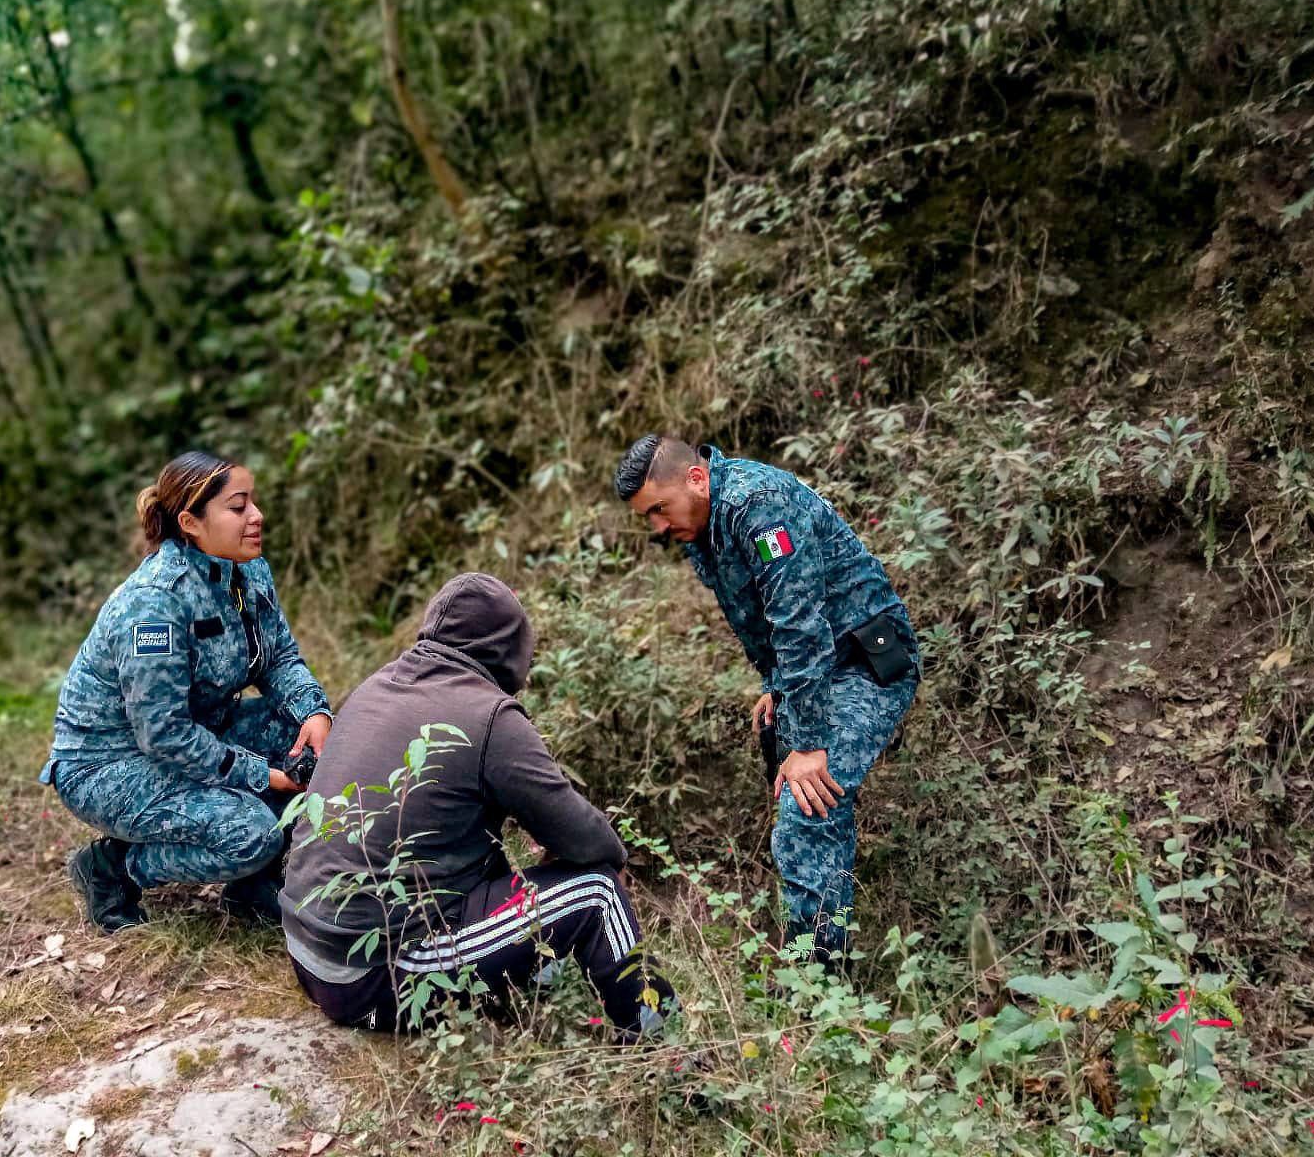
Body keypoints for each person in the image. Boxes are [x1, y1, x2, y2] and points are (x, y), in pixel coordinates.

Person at [281, 572, 675, 1040]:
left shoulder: (377, 686)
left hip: (308, 953)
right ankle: (664, 1046)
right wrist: (603, 855)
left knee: (479, 848)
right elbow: (584, 838)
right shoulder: (489, 715)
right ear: (510, 648)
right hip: (376, 978)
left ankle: (537, 987)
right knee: (597, 893)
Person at [615, 435, 919, 967]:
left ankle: (821, 979)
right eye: (649, 517)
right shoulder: (704, 523)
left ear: (695, 478)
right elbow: (762, 613)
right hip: (823, 665)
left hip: (868, 663)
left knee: (805, 803)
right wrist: (779, 688)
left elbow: (801, 625)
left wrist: (807, 742)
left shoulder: (759, 505)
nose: (658, 527)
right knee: (790, 769)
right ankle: (825, 909)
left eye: (659, 510)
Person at [42, 451, 332, 933]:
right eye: (238, 508)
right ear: (190, 523)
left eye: (253, 502)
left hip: (201, 732)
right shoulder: (154, 604)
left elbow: (279, 659)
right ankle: (113, 868)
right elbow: (163, 733)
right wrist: (260, 774)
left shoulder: (249, 572)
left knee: (317, 745)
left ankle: (252, 886)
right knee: (250, 833)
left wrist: (314, 713)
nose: (256, 516)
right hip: (110, 763)